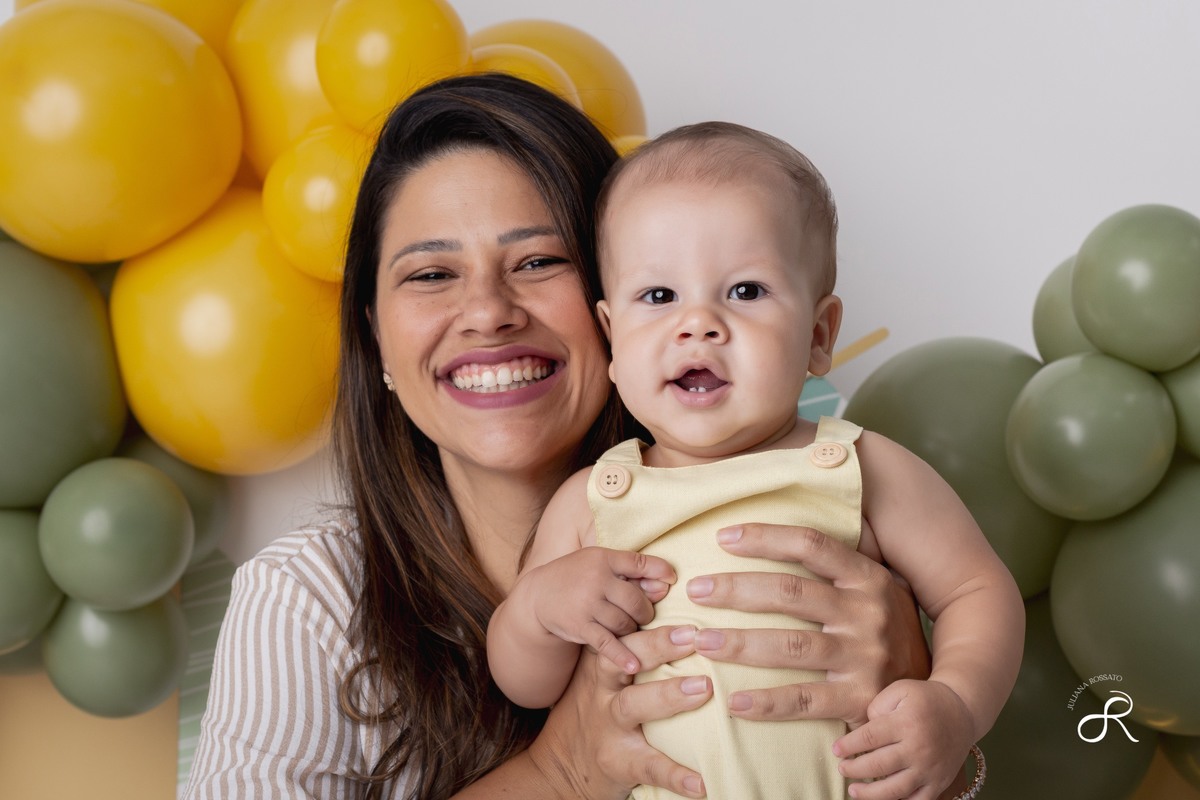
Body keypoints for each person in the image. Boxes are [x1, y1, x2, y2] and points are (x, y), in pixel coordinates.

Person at [183, 74, 935, 800]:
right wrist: (566, 776)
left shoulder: (829, 509)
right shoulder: (307, 600)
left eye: (540, 261)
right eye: (431, 275)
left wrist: (932, 709)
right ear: (376, 338)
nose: (487, 312)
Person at [488, 121, 1025, 800]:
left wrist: (956, 705)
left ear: (818, 336)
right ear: (611, 339)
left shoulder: (858, 466)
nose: (699, 323)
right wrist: (539, 611)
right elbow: (525, 684)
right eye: (659, 297)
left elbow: (978, 591)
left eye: (745, 291)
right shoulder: (597, 498)